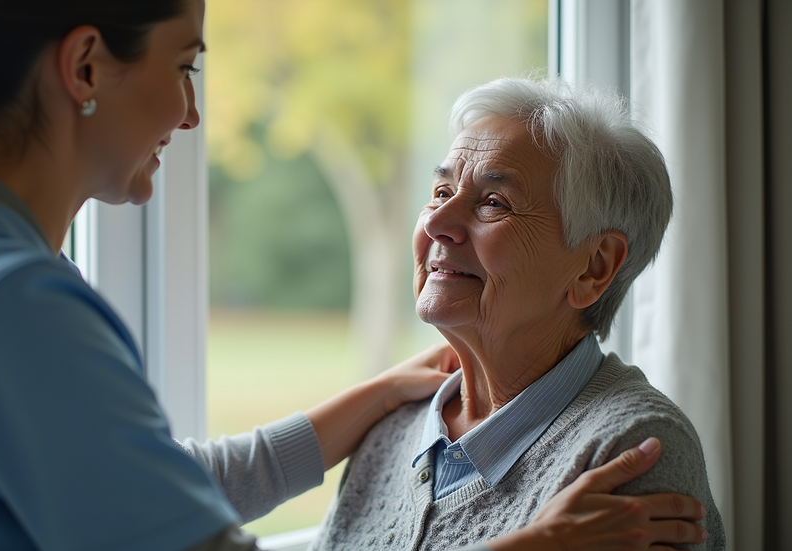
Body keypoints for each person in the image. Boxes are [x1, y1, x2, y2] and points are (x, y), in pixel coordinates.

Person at [0, 1, 707, 549]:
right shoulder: (6, 301)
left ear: (597, 267)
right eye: (184, 64)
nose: (194, 111)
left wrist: (363, 403)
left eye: (491, 202)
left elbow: (147, 482)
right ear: (85, 65)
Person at [309, 77, 726, 550]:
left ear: (594, 267)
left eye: (493, 203)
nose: (435, 223)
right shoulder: (393, 423)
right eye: (442, 192)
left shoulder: (631, 448)